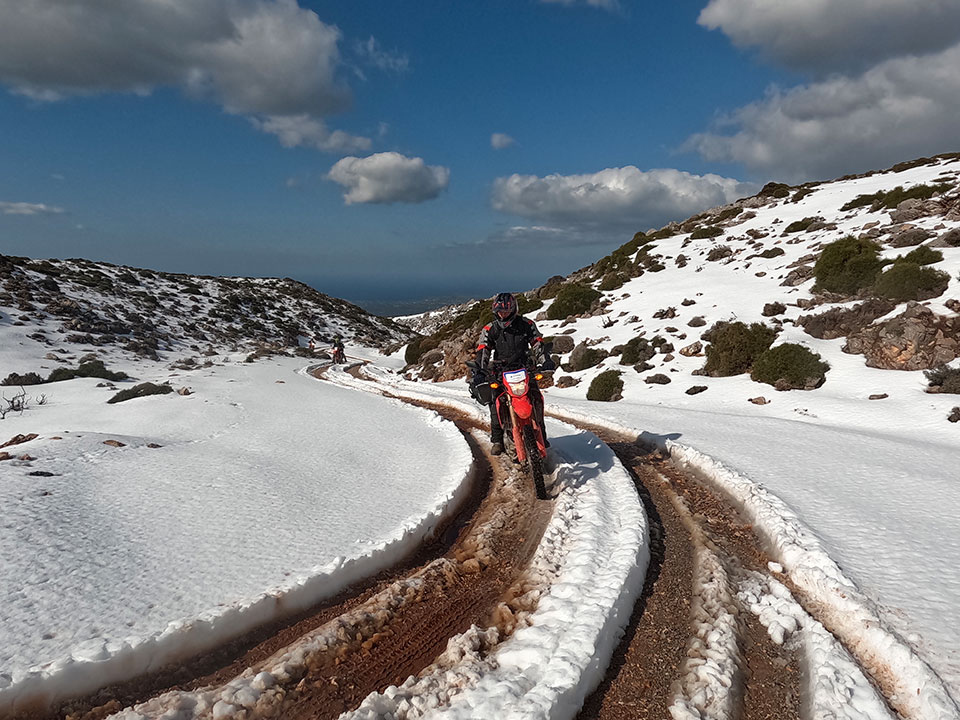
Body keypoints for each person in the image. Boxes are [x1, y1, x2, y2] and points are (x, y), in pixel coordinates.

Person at [475, 292, 553, 455]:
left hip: (524, 368)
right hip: (500, 370)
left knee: (536, 398)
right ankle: (497, 440)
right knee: (495, 402)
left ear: (514, 309)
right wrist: (480, 371)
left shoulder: (527, 324)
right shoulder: (490, 329)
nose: (504, 314)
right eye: (500, 311)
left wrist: (545, 360)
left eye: (507, 311)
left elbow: (537, 343)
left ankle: (542, 435)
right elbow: (483, 350)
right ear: (495, 312)